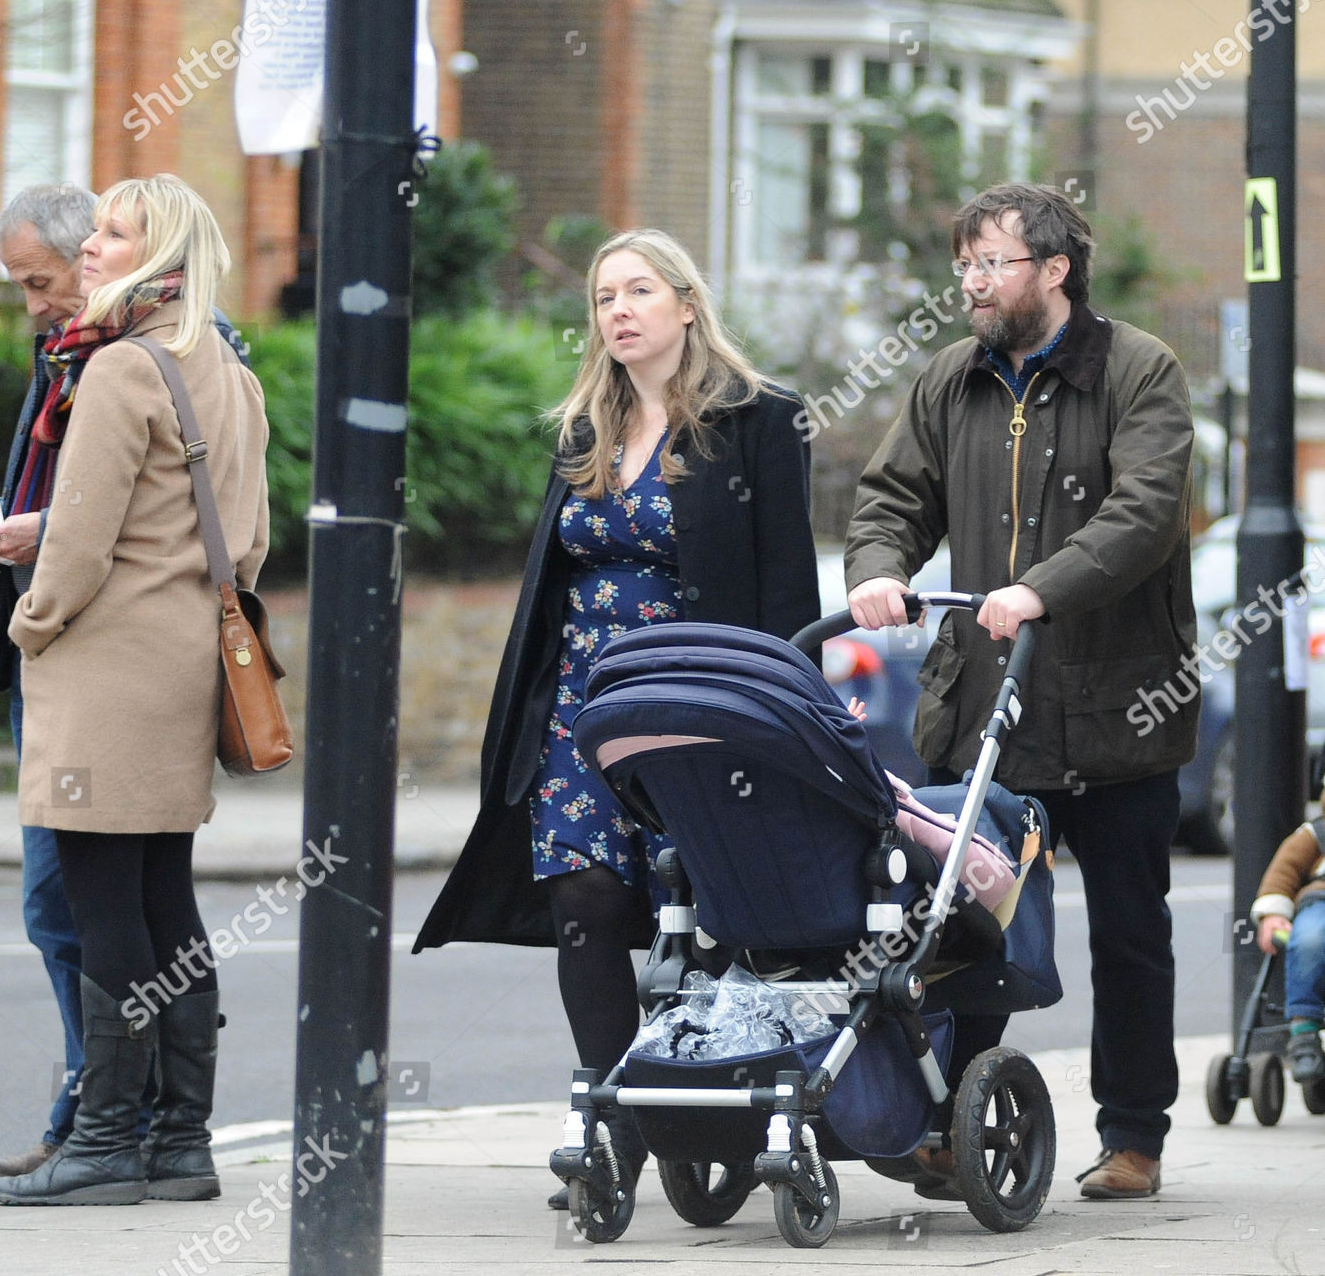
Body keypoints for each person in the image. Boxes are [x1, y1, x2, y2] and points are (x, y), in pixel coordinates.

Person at [412, 228, 821, 1209]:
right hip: (587, 705)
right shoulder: (583, 429)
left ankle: (715, 1096)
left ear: (687, 302)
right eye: (604, 298)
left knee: (714, 911)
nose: (619, 311)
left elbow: (786, 585)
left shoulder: (761, 421)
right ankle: (612, 1120)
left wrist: (782, 709)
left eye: (640, 290)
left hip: (703, 698)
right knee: (584, 901)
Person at [845, 182, 1196, 1201]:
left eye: (990, 263)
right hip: (984, 705)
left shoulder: (1139, 370)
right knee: (967, 917)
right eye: (964, 266)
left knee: (1130, 927)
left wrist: (1039, 587)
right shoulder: (949, 380)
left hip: (1116, 705)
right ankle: (953, 1119)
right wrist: (877, 564)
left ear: (1054, 270)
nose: (973, 284)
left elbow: (1145, 511)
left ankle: (1133, 1132)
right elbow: (891, 497)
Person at [0, 185, 250, 1182]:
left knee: (100, 903)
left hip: (105, 669)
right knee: (167, 899)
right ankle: (181, 1142)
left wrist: (35, 623)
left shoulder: (119, 368)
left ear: (155, 250)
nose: (90, 252)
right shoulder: (225, 369)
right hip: (181, 667)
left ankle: (109, 1139)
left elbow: (75, 545)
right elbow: (247, 537)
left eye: (112, 234)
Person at [1252, 803, 1325, 1082]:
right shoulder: (1316, 833)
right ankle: (1303, 1030)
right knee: (1309, 938)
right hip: (1320, 902)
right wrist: (1272, 913)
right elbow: (1284, 871)